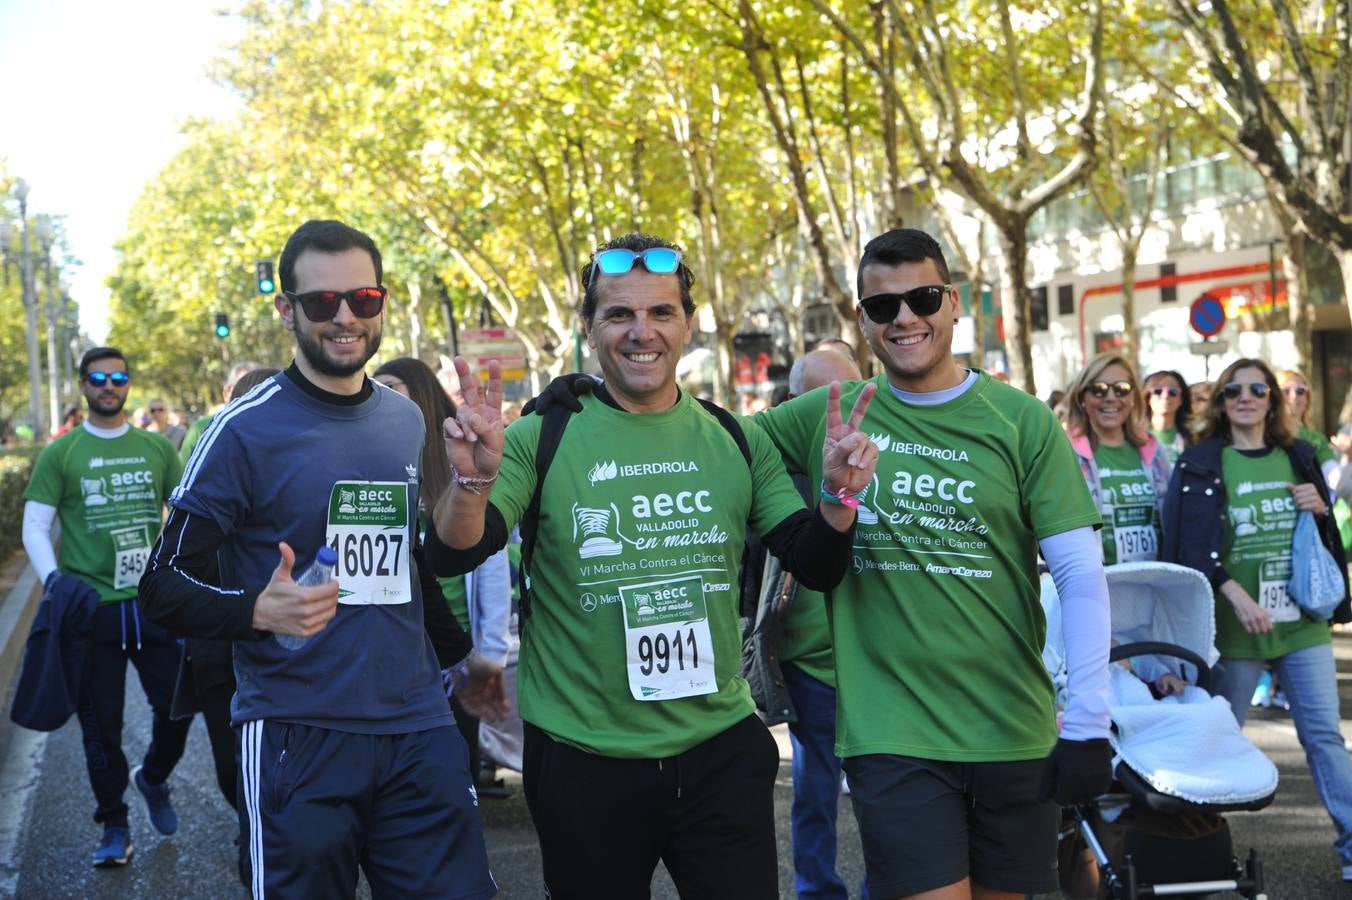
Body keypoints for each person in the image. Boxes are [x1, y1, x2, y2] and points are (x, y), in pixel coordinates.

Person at [429, 232, 878, 900]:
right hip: (585, 759)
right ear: (589, 329)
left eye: (661, 313)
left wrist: (839, 497)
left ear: (688, 325)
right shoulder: (541, 435)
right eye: (620, 315)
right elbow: (456, 550)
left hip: (718, 752)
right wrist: (470, 483)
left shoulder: (734, 436)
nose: (643, 333)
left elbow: (814, 563)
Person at [750, 228, 1113, 900]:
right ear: (863, 319)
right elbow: (710, 440)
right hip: (894, 734)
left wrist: (1090, 722)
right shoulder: (832, 413)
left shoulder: (1020, 421)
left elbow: (1080, 574)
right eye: (883, 307)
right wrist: (593, 394)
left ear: (952, 302)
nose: (905, 318)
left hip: (1012, 729)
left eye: (921, 298)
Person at [138, 220, 496, 899]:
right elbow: (162, 585)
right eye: (320, 302)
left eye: (362, 299)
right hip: (295, 734)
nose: (344, 318)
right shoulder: (242, 430)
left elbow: (415, 564)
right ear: (286, 310)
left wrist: (475, 482)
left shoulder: (405, 420)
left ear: (382, 303)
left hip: (417, 726)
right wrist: (252, 609)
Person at [1162, 356, 1352, 882]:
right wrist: (1236, 594)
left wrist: (1319, 507)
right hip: (1234, 632)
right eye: (1234, 391)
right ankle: (1189, 858)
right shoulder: (1201, 461)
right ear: (1222, 403)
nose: (1246, 397)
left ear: (1272, 399)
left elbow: (1326, 538)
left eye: (1258, 389)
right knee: (1219, 740)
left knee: (1325, 739)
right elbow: (1185, 546)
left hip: (1301, 626)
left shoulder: (1299, 454)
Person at [21, 347, 188, 868]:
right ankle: (114, 823)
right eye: (99, 378)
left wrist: (185, 571)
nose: (109, 385)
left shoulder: (156, 448)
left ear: (129, 383)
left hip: (154, 603)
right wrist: (56, 582)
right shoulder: (62, 453)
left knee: (179, 707)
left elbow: (185, 511)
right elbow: (35, 524)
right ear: (84, 385)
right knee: (101, 729)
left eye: (118, 376)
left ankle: (154, 777)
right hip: (92, 609)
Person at [747, 347, 867, 900]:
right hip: (811, 664)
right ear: (792, 405)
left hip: (878, 662)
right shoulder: (772, 471)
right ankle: (819, 892)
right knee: (816, 791)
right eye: (819, 400)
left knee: (889, 794)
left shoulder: (883, 457)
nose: (834, 411)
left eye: (846, 392)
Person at [373, 356, 513, 783]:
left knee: (454, 777)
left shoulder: (460, 458)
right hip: (395, 654)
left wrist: (487, 658)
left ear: (420, 392)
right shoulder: (378, 456)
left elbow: (490, 567)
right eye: (375, 386)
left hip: (455, 658)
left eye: (391, 385)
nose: (381, 395)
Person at [1064, 354, 1171, 565]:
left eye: (1121, 388)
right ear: (1082, 398)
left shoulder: (1153, 449)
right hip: (1099, 587)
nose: (1111, 397)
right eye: (1098, 389)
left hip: (1155, 582)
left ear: (1133, 398)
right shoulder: (1065, 451)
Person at [177, 360, 262, 464]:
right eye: (246, 387)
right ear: (227, 392)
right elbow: (182, 476)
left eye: (259, 388)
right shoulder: (201, 429)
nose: (253, 394)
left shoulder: (275, 428)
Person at [1279, 369, 1338, 484]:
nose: (1293, 396)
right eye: (1285, 391)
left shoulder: (1316, 438)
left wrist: (1349, 458)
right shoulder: (1261, 435)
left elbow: (1335, 480)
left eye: (1300, 391)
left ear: (1307, 399)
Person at [1143, 369, 1192, 467]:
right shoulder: (1134, 437)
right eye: (1157, 391)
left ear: (1181, 399)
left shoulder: (1196, 439)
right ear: (1147, 397)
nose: (1165, 396)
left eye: (1172, 392)